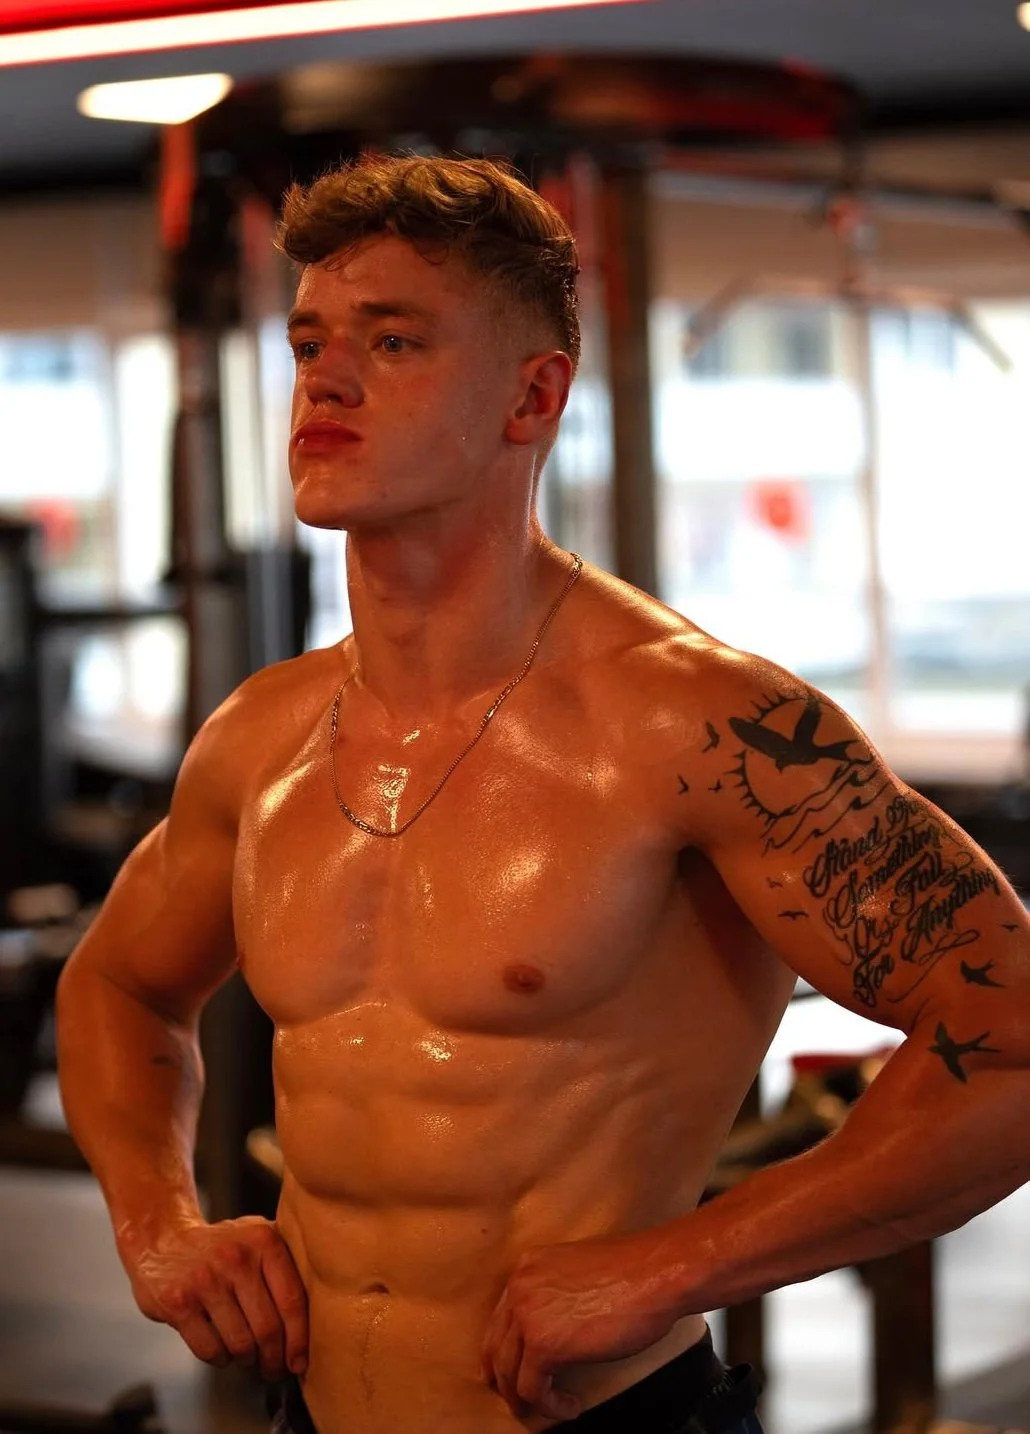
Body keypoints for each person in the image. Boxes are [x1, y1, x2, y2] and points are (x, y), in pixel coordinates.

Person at [55, 154, 1030, 1434]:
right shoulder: (262, 737)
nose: (325, 379)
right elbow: (117, 985)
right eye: (310, 342)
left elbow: (1010, 1037)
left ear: (534, 397)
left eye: (394, 341)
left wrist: (679, 1266)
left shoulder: (698, 724)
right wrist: (161, 1225)